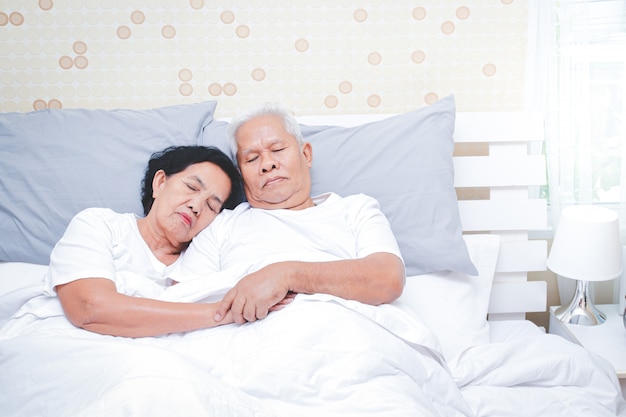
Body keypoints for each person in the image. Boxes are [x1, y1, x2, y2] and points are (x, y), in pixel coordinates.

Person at [170, 103, 406, 324]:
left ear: (306, 154)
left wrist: (287, 275)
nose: (267, 164)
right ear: (242, 176)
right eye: (252, 158)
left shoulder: (355, 210)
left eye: (278, 149)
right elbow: (180, 303)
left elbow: (388, 279)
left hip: (344, 331)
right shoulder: (221, 225)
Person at [3, 145, 249, 338]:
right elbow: (88, 309)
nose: (196, 206)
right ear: (160, 182)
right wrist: (220, 313)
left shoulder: (200, 267)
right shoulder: (100, 225)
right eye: (191, 187)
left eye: (211, 206)